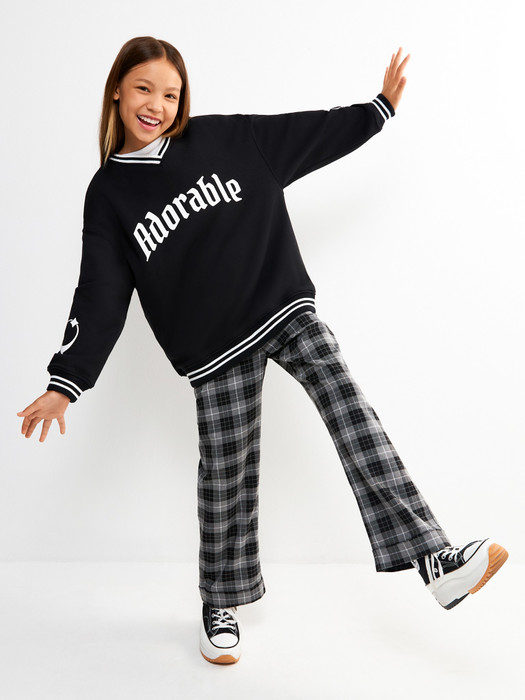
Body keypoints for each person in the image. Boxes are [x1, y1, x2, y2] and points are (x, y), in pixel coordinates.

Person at [16, 38, 508, 665]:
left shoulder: (225, 138)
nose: (157, 105)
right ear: (117, 90)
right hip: (213, 348)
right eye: (144, 89)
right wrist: (65, 382)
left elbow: (310, 133)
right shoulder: (109, 193)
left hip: (283, 309)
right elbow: (101, 293)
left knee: (351, 410)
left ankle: (433, 559)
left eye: (171, 94)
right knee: (226, 472)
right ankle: (220, 602)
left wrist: (377, 109)